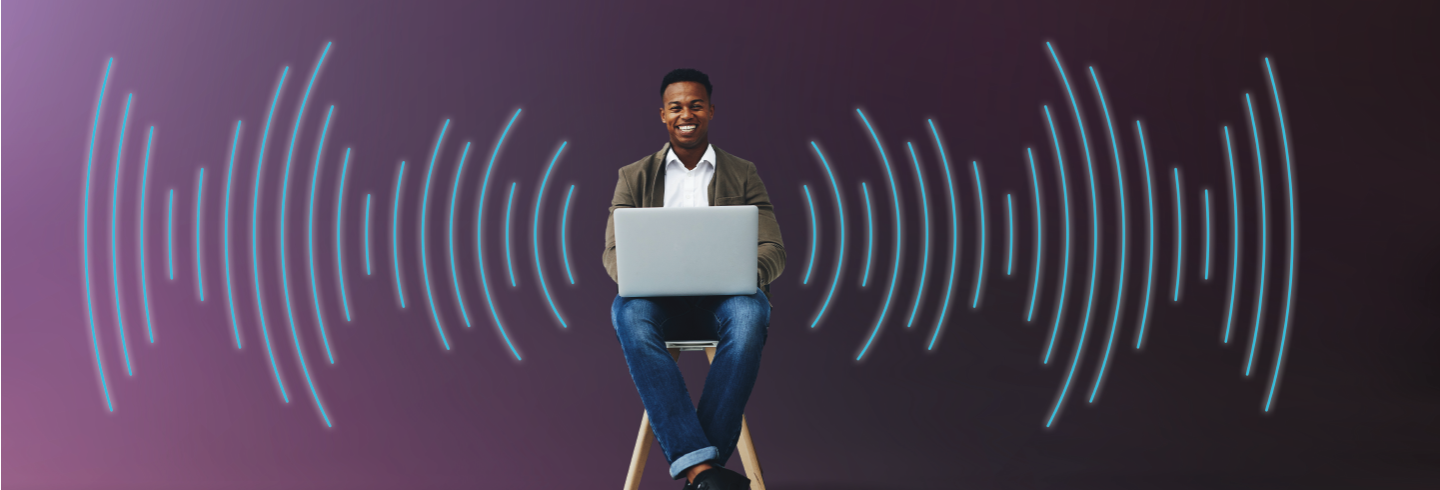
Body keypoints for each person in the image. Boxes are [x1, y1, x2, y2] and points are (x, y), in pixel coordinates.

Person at [602, 68, 785, 489]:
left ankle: (698, 470)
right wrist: (639, 276)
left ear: (711, 111)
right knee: (628, 313)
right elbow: (613, 252)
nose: (687, 113)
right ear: (663, 115)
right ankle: (707, 475)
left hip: (724, 300)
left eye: (696, 105)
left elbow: (774, 249)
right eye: (676, 106)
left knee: (749, 313)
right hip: (657, 302)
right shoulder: (633, 176)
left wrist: (739, 273)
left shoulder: (743, 173)